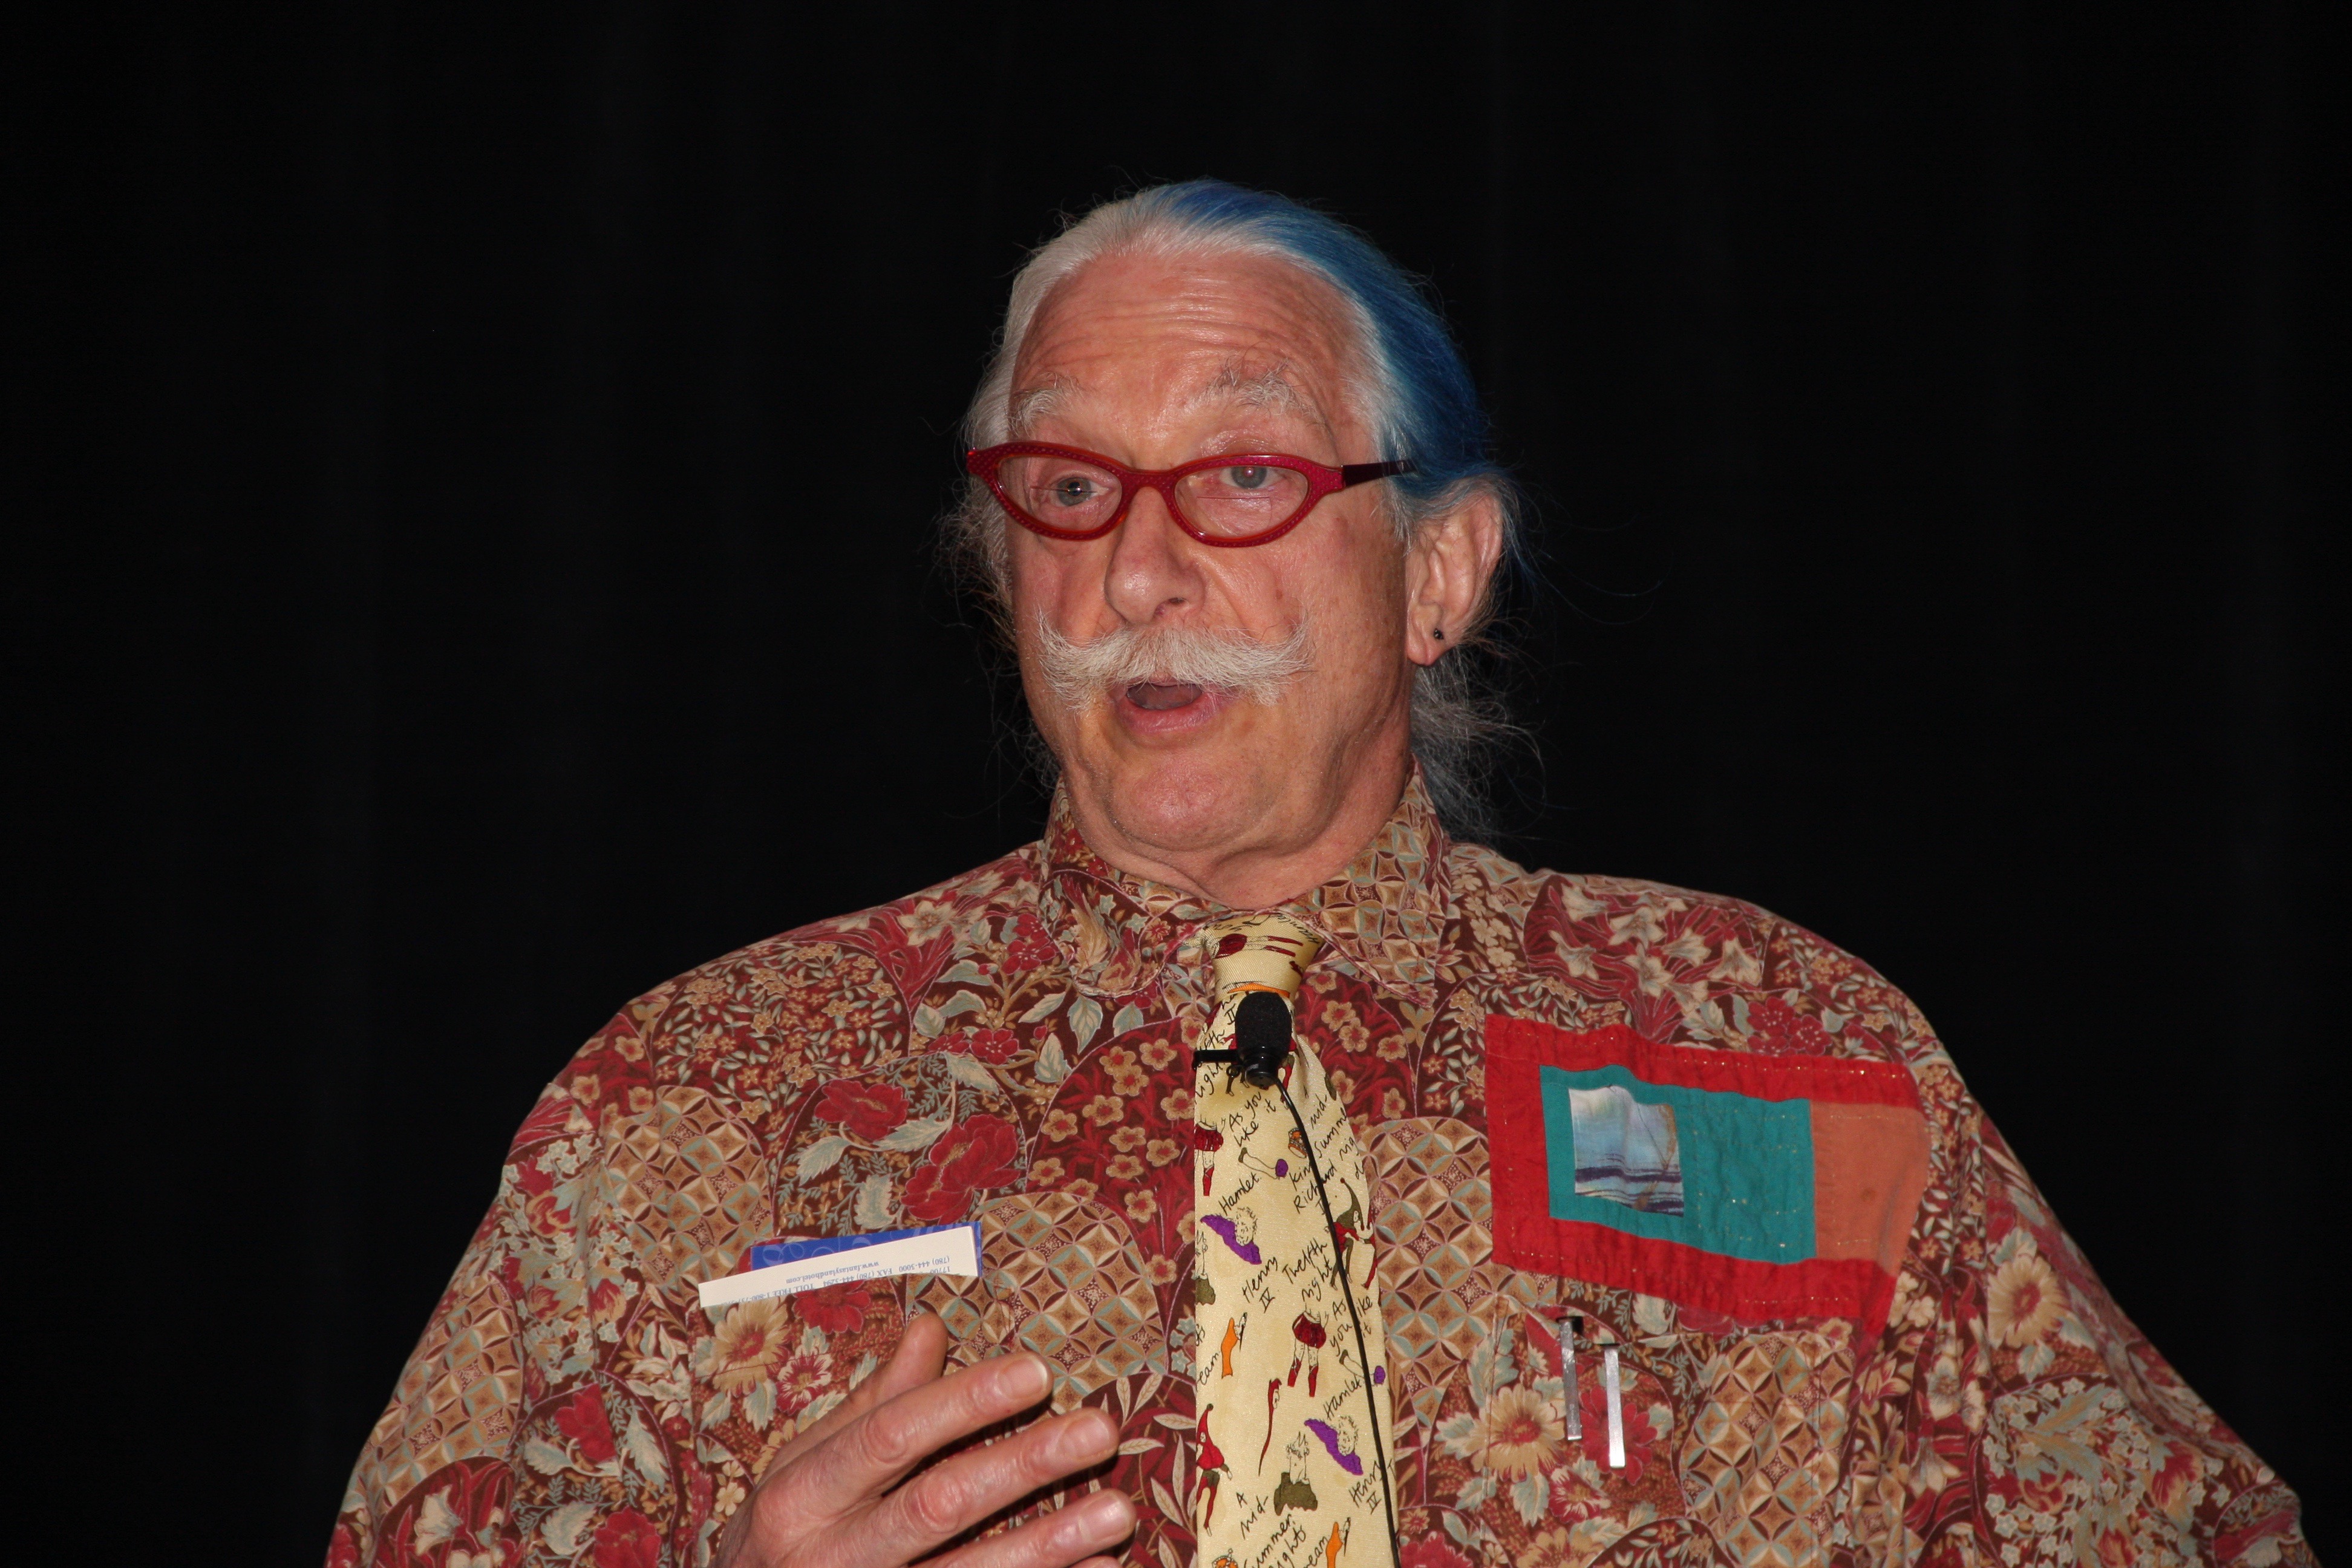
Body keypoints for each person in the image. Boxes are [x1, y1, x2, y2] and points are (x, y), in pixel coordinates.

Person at [330, 181, 2310, 1568]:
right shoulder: (688, 1104)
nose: (1139, 571)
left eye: (1249, 477)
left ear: (1438, 574)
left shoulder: (1785, 1072)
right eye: (1070, 489)